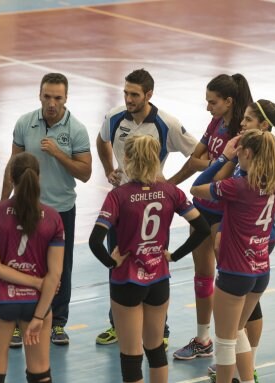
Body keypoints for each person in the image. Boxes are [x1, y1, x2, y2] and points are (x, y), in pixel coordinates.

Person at [89, 135, 210, 383]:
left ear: (127, 158)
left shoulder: (119, 196)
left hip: (127, 281)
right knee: (155, 350)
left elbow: (94, 241)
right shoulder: (171, 192)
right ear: (156, 158)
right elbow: (203, 228)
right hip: (159, 278)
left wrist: (111, 263)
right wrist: (174, 255)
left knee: (131, 355)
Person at [94, 68, 198, 346]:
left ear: (149, 95)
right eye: (126, 92)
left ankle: (159, 331)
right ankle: (118, 324)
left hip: (154, 203)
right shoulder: (115, 117)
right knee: (117, 260)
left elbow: (200, 155)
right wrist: (108, 169)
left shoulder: (167, 124)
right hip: (122, 203)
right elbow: (101, 140)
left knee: (154, 262)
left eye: (134, 94)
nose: (128, 98)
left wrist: (172, 183)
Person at [0, 73, 92, 346]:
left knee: (60, 269)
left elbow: (86, 173)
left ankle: (58, 323)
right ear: (39, 95)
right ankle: (19, 322)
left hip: (61, 210)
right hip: (25, 209)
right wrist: (4, 202)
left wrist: (58, 154)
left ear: (66, 98)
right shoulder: (24, 123)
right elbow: (12, 164)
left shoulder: (76, 129)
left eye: (58, 98)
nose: (52, 103)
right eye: (47, 96)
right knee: (21, 266)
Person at [204, 100, 275, 382]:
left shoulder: (243, 179)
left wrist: (225, 159)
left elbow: (201, 190)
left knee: (229, 332)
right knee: (239, 323)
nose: (242, 123)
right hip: (259, 257)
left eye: (249, 120)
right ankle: (247, 373)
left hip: (246, 251)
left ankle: (239, 372)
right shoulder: (272, 174)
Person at [173, 74, 253, 361]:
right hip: (201, 207)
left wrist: (208, 164)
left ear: (229, 101)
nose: (208, 107)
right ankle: (203, 338)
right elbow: (194, 158)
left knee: (230, 281)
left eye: (213, 102)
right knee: (203, 275)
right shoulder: (216, 122)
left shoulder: (241, 132)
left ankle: (231, 347)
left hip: (223, 213)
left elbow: (220, 174)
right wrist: (169, 184)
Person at [0, 152, 64, 383]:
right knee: (40, 373)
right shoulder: (53, 218)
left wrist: (33, 281)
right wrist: (39, 315)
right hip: (37, 302)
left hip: (1, 300)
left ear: (11, 177)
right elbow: (55, 274)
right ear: (38, 178)